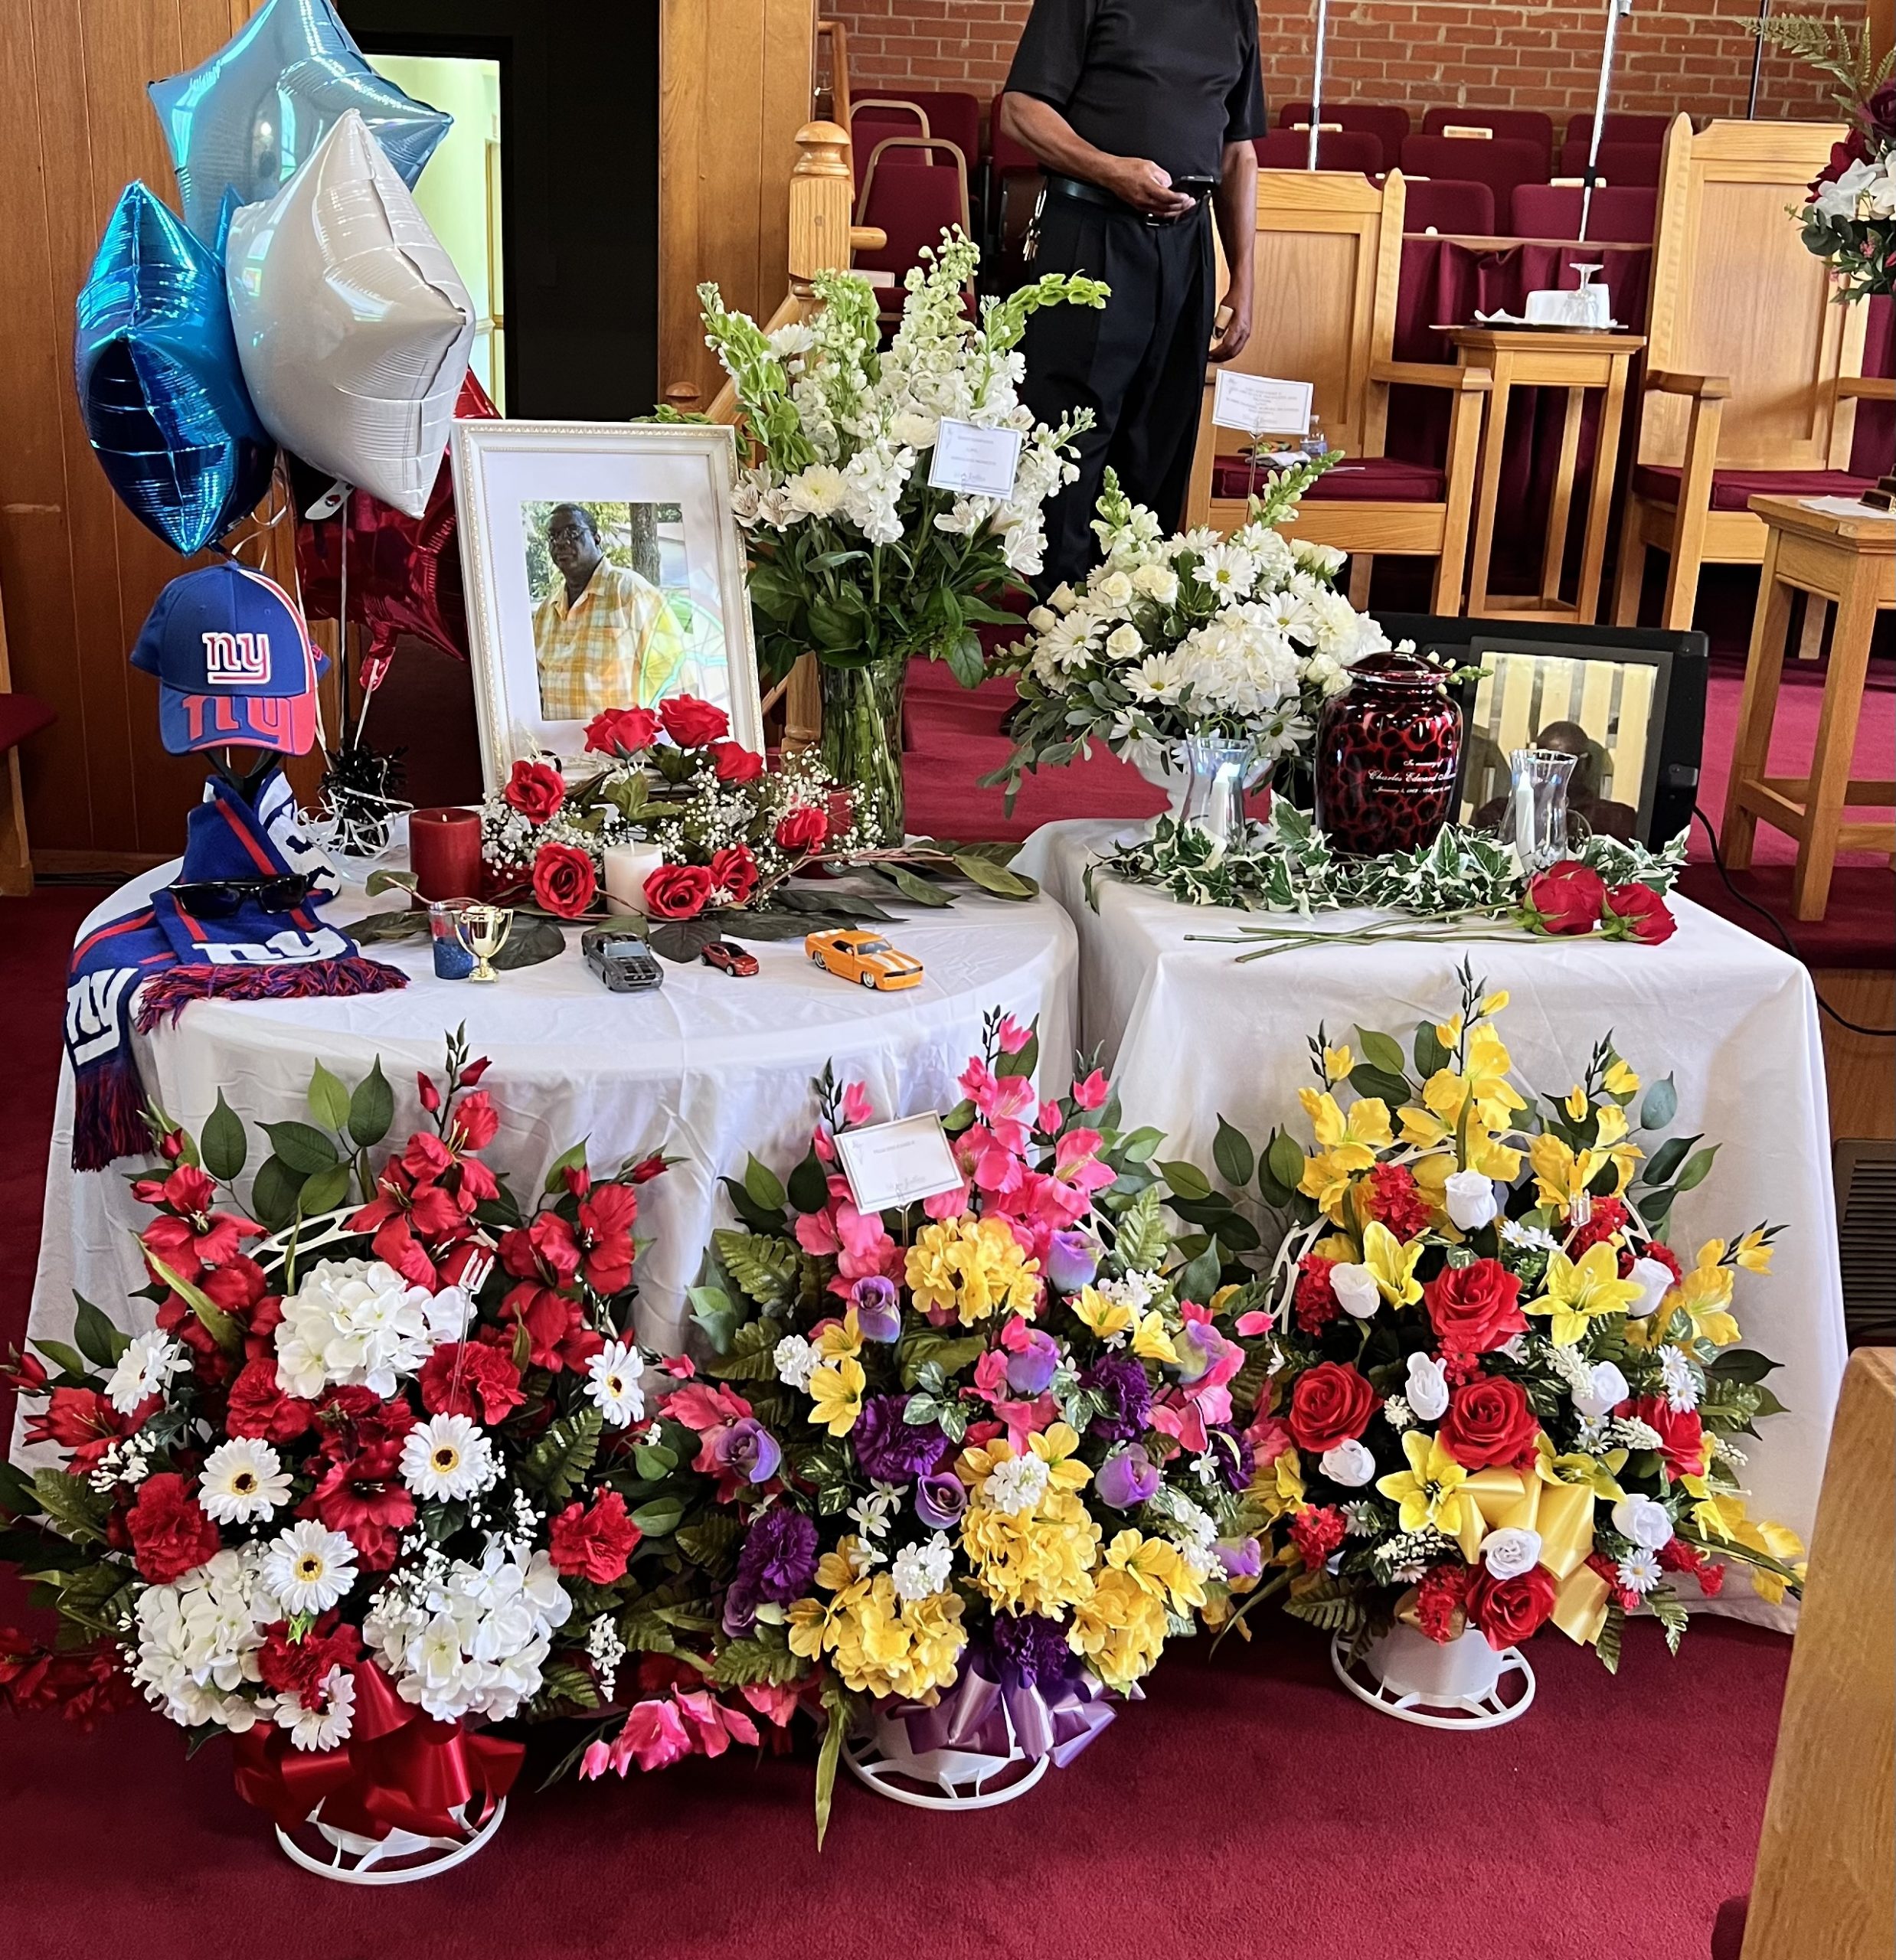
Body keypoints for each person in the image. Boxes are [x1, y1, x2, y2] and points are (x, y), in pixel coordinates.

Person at [999, 0, 1265, 587]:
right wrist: (1109, 169)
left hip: (1189, 244)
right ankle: (1055, 614)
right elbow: (1020, 112)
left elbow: (1238, 151)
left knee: (1161, 437)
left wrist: (1244, 277)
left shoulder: (1235, 8)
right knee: (1071, 436)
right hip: (1092, 228)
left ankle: (1136, 609)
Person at [532, 503, 689, 718]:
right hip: (554, 740)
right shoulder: (546, 611)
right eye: (554, 536)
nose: (561, 542)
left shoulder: (631, 593)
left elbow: (674, 676)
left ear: (597, 539)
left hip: (619, 740)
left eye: (572, 532)